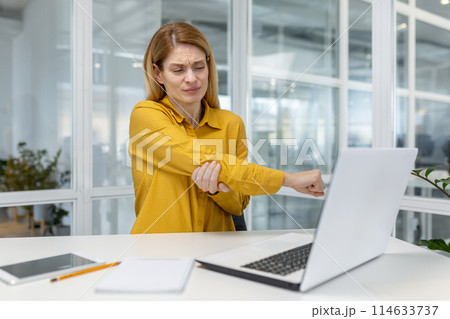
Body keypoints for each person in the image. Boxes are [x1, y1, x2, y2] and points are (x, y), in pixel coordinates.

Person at [129, 22, 326, 234]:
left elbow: (238, 205)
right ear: (157, 74)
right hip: (157, 255)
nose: (191, 78)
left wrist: (217, 190)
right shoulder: (145, 115)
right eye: (178, 70)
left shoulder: (231, 124)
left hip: (218, 252)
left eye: (198, 67)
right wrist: (288, 180)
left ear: (208, 65)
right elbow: (200, 156)